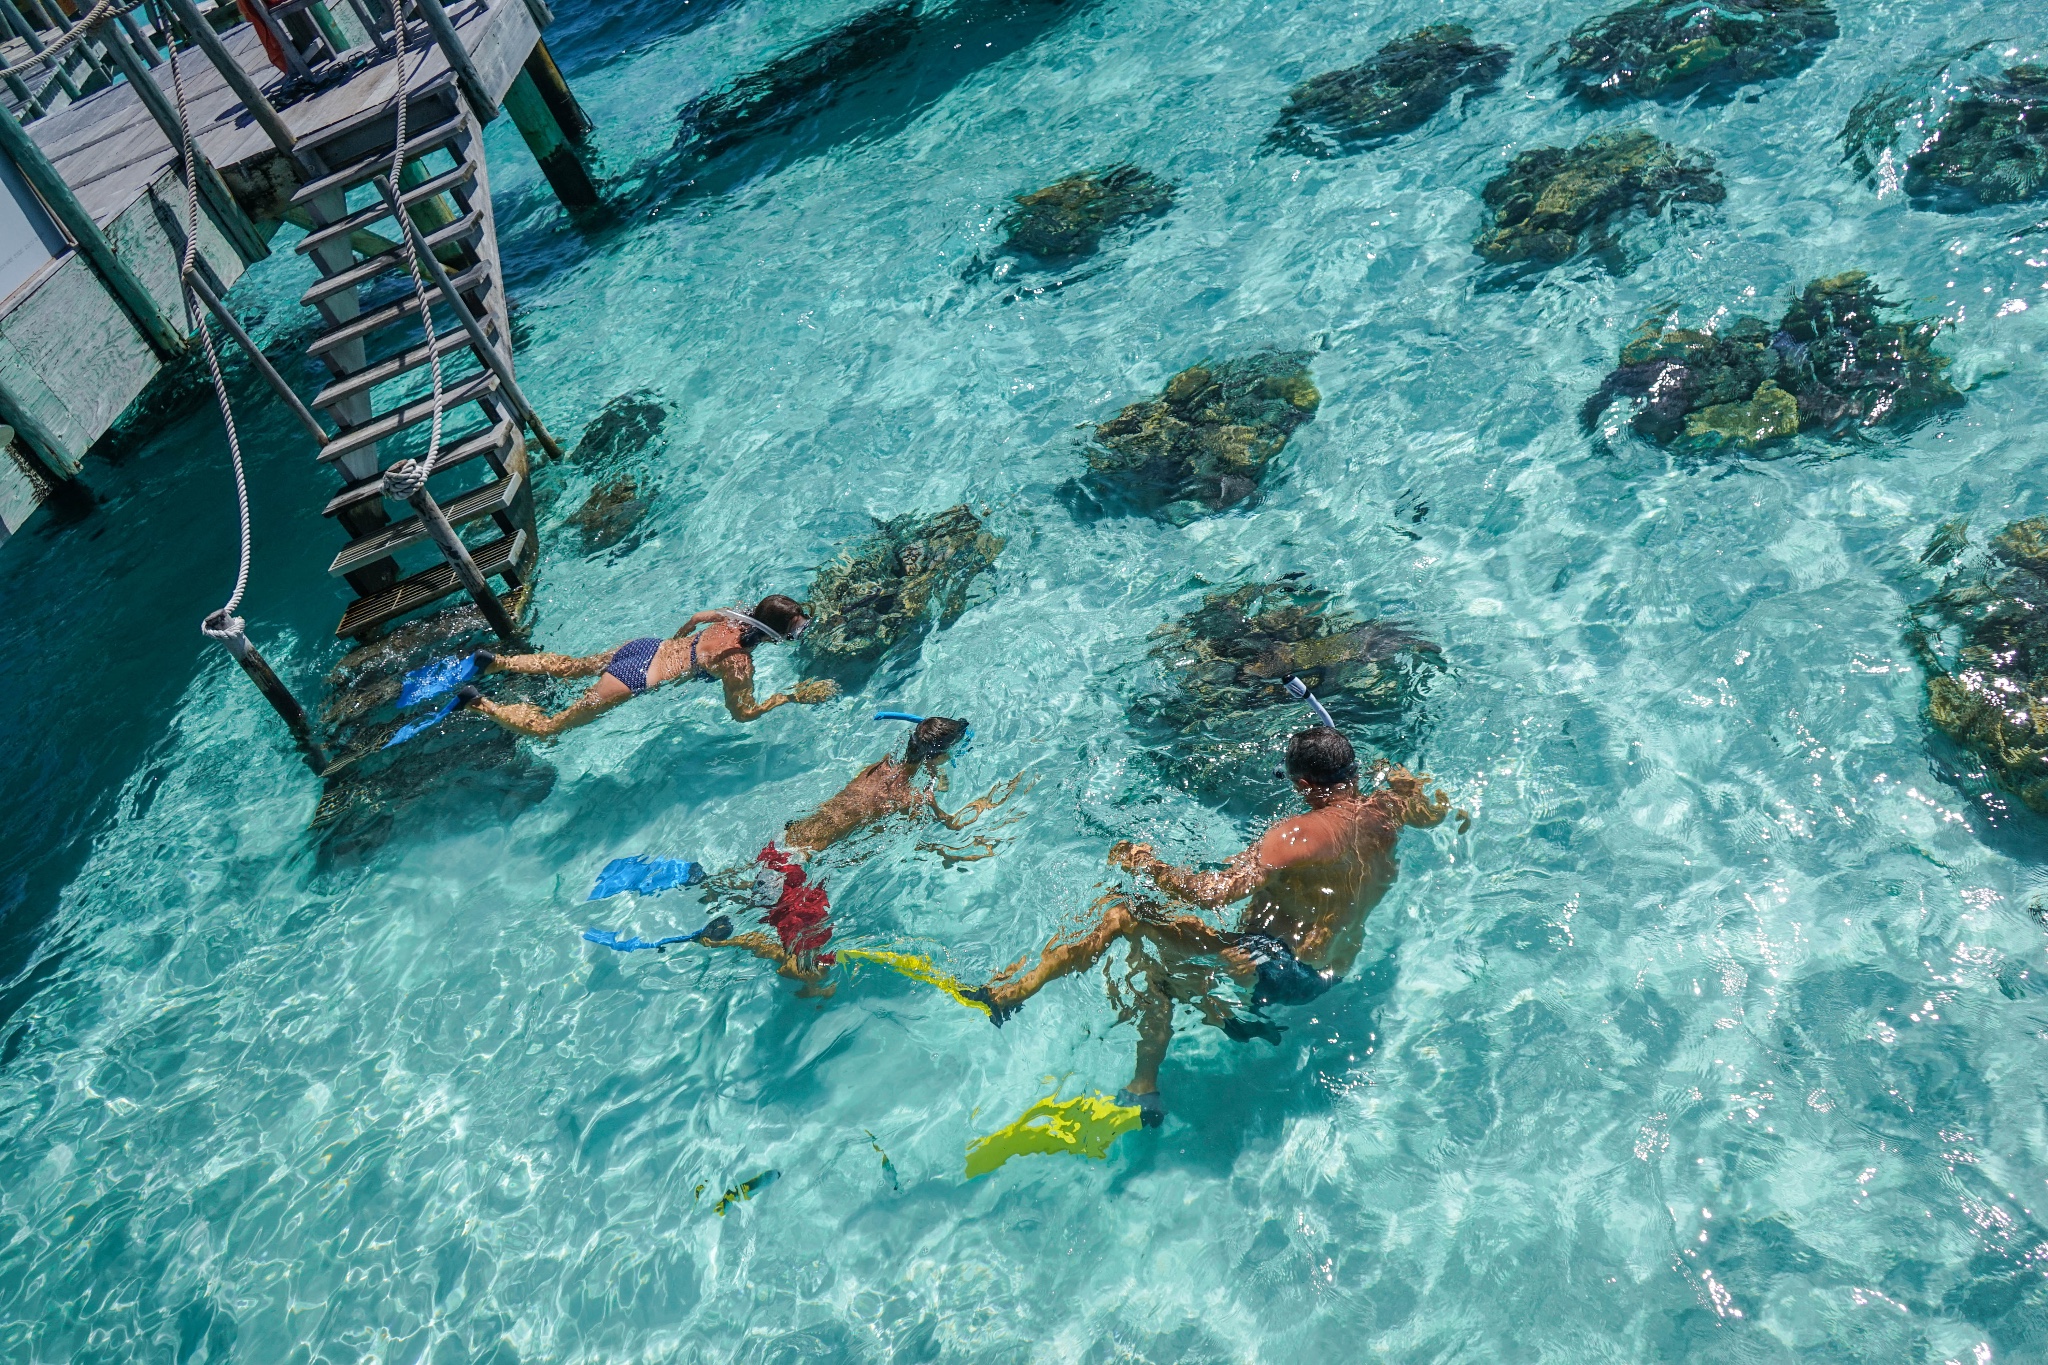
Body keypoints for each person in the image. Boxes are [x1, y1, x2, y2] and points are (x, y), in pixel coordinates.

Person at [968, 726, 1463, 1126]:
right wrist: (1404, 782)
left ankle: (1013, 993)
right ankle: (1146, 1086)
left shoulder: (1294, 834)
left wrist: (1152, 866)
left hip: (1275, 967)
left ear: (1304, 786)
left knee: (1124, 912)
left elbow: (1213, 893)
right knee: (1162, 968)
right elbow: (1440, 810)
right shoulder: (1388, 809)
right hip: (1328, 971)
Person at [705, 716, 1019, 993]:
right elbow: (949, 825)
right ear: (936, 759)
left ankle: (726, 898)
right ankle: (742, 940)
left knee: (765, 900)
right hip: (794, 875)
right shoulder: (905, 797)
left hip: (779, 845)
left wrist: (930, 771)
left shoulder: (881, 766)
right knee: (816, 974)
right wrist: (994, 801)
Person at [456, 595, 838, 737]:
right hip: (636, 677)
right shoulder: (739, 663)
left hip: (644, 647)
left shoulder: (732, 617)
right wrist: (791, 697)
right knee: (553, 727)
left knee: (572, 667)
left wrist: (676, 646)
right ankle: (481, 704)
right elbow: (743, 714)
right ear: (774, 633)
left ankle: (496, 662)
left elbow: (694, 618)